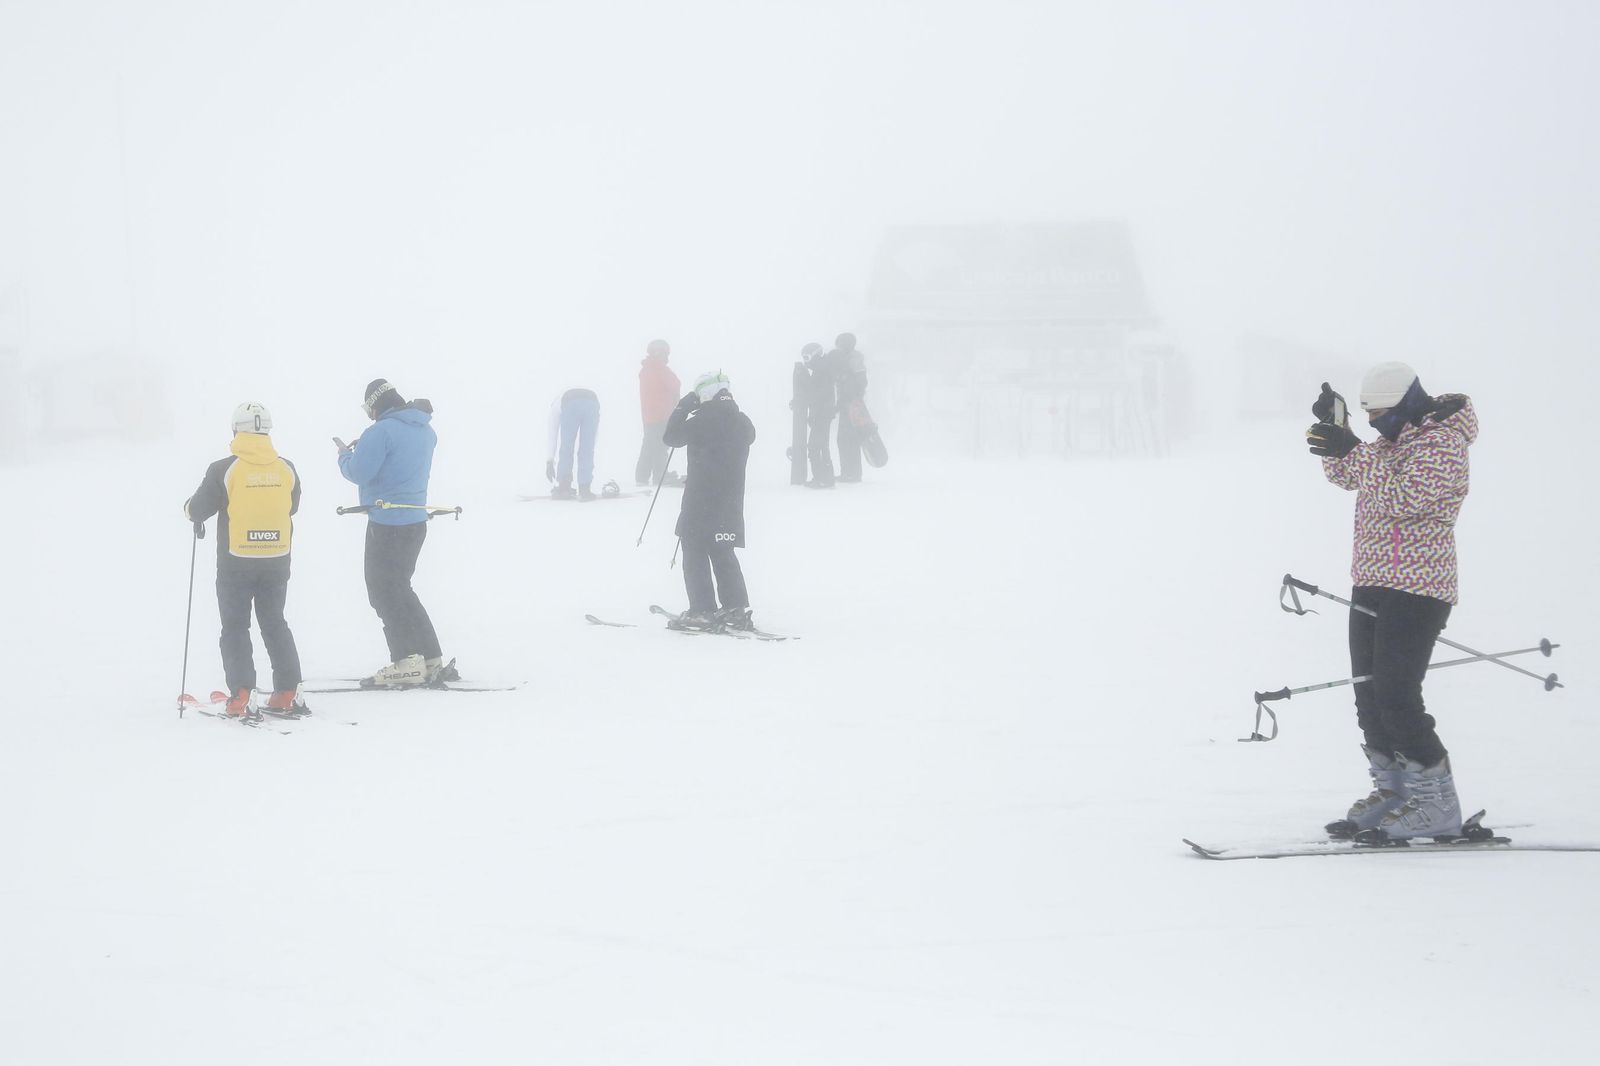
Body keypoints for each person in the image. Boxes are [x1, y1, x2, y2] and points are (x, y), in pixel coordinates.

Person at [1306, 361, 1477, 842]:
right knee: (1369, 693)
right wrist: (1335, 434)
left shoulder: (1443, 443)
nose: (1375, 423)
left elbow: (1403, 497)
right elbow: (1350, 477)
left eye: (1381, 413)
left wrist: (1356, 452)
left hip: (1419, 586)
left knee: (1398, 695)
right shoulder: (1390, 443)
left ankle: (1437, 803)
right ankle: (1397, 791)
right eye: (1368, 416)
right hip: (1372, 580)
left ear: (1408, 404)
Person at [183, 402, 305, 717]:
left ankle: (241, 694)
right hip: (277, 558)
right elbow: (292, 507)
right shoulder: (286, 467)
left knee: (235, 626)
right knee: (275, 623)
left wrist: (188, 509)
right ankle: (288, 690)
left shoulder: (224, 469)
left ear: (236, 430)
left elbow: (198, 510)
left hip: (236, 562)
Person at [338, 378, 447, 687]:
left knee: (382, 591)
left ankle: (406, 659)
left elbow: (359, 472)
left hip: (387, 526)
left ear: (375, 404)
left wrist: (345, 456)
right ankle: (430, 656)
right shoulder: (426, 431)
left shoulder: (378, 431)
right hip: (415, 522)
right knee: (401, 588)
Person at [663, 370, 757, 629]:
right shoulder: (742, 421)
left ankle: (702, 610)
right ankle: (735, 609)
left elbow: (670, 437)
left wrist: (683, 406)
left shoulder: (700, 421)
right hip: (730, 501)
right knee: (723, 552)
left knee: (694, 551)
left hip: (700, 499)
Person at [637, 339, 681, 486]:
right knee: (661, 445)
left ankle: (642, 475)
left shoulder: (646, 369)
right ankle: (659, 475)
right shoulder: (659, 369)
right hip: (661, 414)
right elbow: (675, 383)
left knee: (649, 444)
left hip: (649, 415)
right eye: (664, 353)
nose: (666, 357)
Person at [826, 332, 868, 482]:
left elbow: (860, 383)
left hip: (851, 405)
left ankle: (851, 474)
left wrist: (849, 398)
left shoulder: (853, 359)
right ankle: (850, 472)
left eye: (839, 344)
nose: (837, 347)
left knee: (848, 439)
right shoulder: (849, 359)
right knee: (846, 439)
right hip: (849, 404)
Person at [545, 387, 601, 500]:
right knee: (586, 449)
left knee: (567, 446)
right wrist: (589, 447)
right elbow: (593, 437)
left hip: (571, 402)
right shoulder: (561, 400)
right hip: (593, 402)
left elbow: (553, 434)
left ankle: (564, 486)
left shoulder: (555, 406)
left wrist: (549, 461)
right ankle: (585, 489)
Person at [799, 342, 836, 488]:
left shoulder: (821, 371)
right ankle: (825, 477)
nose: (805, 361)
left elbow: (817, 394)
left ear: (816, 355)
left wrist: (803, 398)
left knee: (816, 445)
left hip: (821, 413)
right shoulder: (821, 369)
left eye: (807, 357)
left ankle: (822, 478)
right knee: (821, 445)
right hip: (822, 413)